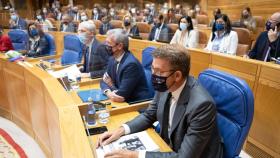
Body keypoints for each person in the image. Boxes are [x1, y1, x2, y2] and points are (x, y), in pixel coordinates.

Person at [97, 44, 224, 158]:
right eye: (152, 69)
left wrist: (135, 155)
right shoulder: (166, 85)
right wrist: (121, 130)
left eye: (159, 71)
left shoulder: (202, 105)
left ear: (177, 75)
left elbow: (185, 156)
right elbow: (149, 115)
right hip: (167, 146)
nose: (154, 75)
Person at [100, 29, 150, 103]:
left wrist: (111, 84)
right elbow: (103, 80)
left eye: (108, 43)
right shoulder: (112, 58)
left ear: (120, 46)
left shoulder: (131, 64)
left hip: (134, 104)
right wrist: (108, 92)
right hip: (121, 101)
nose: (106, 45)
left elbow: (121, 95)